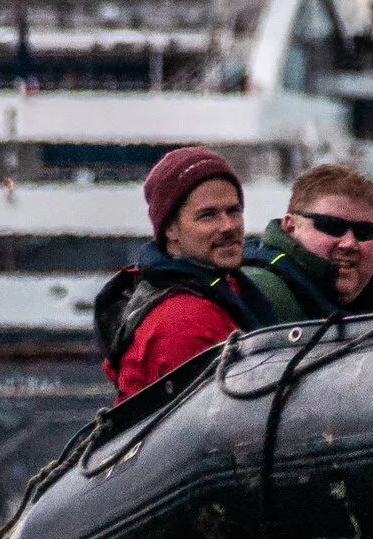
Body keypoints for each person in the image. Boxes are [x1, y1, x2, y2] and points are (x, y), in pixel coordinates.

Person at [93, 147, 276, 400]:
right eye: (208, 215)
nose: (228, 226)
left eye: (233, 211)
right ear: (170, 229)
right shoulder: (184, 321)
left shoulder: (224, 286)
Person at [242, 162, 373, 319]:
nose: (350, 243)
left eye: (364, 231)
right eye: (331, 226)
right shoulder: (258, 291)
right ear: (291, 226)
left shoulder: (371, 305)